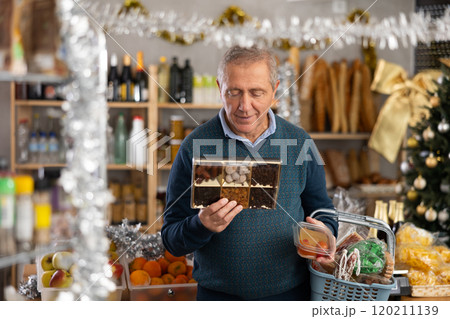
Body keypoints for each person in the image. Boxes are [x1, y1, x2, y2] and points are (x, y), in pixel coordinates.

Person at [161, 45, 337, 301]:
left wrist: (325, 233)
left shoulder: (299, 142)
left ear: (275, 90)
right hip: (218, 300)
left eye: (256, 92)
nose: (245, 106)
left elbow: (323, 212)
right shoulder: (194, 146)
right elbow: (171, 239)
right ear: (219, 86)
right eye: (234, 92)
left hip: (289, 298)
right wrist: (201, 225)